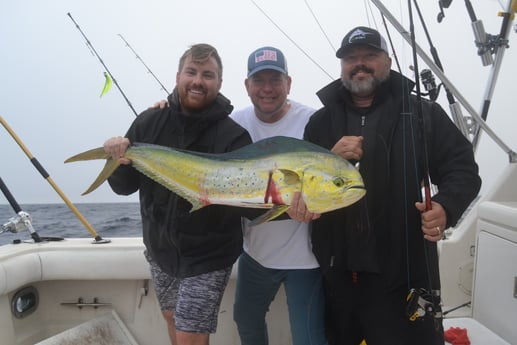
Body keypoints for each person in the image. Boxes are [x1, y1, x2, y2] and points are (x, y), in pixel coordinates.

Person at [303, 27, 481, 345]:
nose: (360, 64)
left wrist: (446, 207)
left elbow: (463, 170)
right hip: (339, 278)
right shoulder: (320, 123)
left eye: (370, 56)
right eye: (351, 58)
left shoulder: (424, 114)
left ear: (387, 61)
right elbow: (304, 189)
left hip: (405, 277)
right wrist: (327, 161)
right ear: (342, 66)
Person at [102, 43, 252, 345]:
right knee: (172, 317)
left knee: (190, 334)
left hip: (208, 255)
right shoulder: (148, 122)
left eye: (208, 75)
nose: (198, 80)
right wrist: (115, 159)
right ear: (178, 76)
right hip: (160, 250)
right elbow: (123, 186)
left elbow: (246, 201)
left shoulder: (234, 136)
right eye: (191, 72)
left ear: (219, 83)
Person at [230, 47, 327, 345]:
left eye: (276, 79)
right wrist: (164, 107)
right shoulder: (234, 123)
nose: (268, 89)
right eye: (259, 80)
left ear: (289, 83)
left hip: (305, 259)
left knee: (309, 339)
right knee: (245, 321)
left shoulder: (314, 121)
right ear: (247, 85)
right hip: (255, 254)